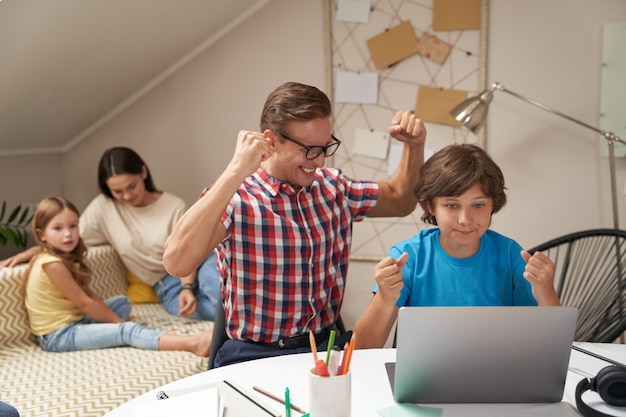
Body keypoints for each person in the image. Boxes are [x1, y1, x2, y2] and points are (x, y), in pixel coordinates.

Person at [163, 81, 427, 367]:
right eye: (309, 149)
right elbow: (177, 262)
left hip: (325, 350)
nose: (319, 160)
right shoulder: (238, 198)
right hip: (254, 355)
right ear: (271, 140)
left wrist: (414, 146)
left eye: (325, 147)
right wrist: (236, 169)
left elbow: (401, 200)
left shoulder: (333, 188)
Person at [353, 143, 561, 349]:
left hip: (494, 372)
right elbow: (362, 349)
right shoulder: (408, 258)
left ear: (493, 204)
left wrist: (546, 292)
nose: (465, 219)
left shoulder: (510, 254)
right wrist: (385, 296)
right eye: (452, 205)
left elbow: (555, 347)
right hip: (424, 375)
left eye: (478, 205)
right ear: (430, 206)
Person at [2, 147, 219, 320]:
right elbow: (69, 237)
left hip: (197, 262)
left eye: (131, 186)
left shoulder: (173, 205)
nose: (126, 195)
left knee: (213, 283)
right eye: (117, 191)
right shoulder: (104, 207)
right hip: (166, 284)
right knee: (206, 311)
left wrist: (188, 287)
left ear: (143, 172)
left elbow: (188, 250)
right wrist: (29, 253)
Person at [23, 196, 213, 355]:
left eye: (73, 226)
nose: (68, 234)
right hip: (58, 335)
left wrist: (114, 319)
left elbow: (90, 296)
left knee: (122, 303)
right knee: (127, 331)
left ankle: (123, 330)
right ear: (42, 235)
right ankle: (192, 343)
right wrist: (120, 324)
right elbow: (85, 303)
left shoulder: (64, 258)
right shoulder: (52, 264)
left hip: (76, 318)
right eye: (58, 229)